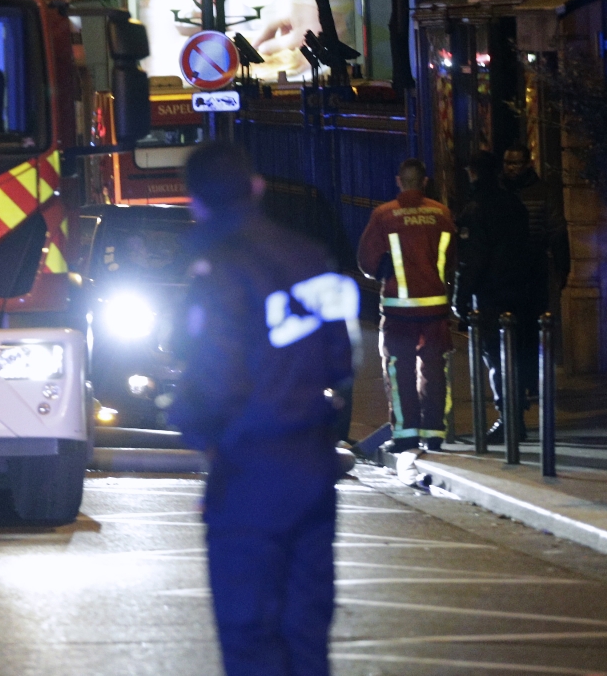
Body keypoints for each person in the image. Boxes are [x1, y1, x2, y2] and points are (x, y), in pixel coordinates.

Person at [171, 141, 358, 676]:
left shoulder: (217, 269)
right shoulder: (309, 257)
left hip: (248, 468)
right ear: (256, 187)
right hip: (311, 468)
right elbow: (341, 360)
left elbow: (214, 379)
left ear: (196, 202)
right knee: (306, 631)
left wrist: (187, 420)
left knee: (250, 634)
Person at [356, 158, 455, 458]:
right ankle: (435, 433)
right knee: (435, 370)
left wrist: (383, 272)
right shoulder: (441, 213)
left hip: (399, 309)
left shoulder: (384, 215)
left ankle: (405, 435)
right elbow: (452, 259)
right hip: (435, 307)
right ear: (424, 182)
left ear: (399, 181)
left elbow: (366, 260)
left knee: (400, 371)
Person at [457, 150, 540, 439]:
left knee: (496, 358)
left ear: (473, 172)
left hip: (492, 294)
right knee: (515, 355)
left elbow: (472, 259)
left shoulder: (476, 208)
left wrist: (461, 298)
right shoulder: (513, 204)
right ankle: (516, 415)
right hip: (520, 291)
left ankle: (509, 419)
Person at [503, 144, 568, 332]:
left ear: (528, 164)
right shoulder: (499, 191)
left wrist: (561, 266)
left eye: (516, 163)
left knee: (532, 322)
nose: (511, 168)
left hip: (534, 267)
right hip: (505, 270)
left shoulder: (543, 192)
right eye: (507, 163)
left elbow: (557, 230)